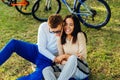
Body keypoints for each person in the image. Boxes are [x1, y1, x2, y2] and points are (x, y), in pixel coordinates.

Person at [0, 14, 63, 80]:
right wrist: (54, 58)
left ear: (62, 24)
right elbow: (41, 48)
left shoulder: (66, 31)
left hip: (47, 59)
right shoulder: (43, 26)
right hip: (37, 50)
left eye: (58, 31)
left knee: (37, 77)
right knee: (14, 43)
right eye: (53, 31)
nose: (56, 34)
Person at [42, 14, 89, 80]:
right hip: (67, 69)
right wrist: (65, 60)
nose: (67, 27)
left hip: (81, 70)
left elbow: (82, 57)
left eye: (71, 25)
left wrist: (65, 56)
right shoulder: (60, 38)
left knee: (73, 58)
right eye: (66, 24)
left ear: (75, 26)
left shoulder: (79, 35)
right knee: (46, 70)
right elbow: (60, 59)